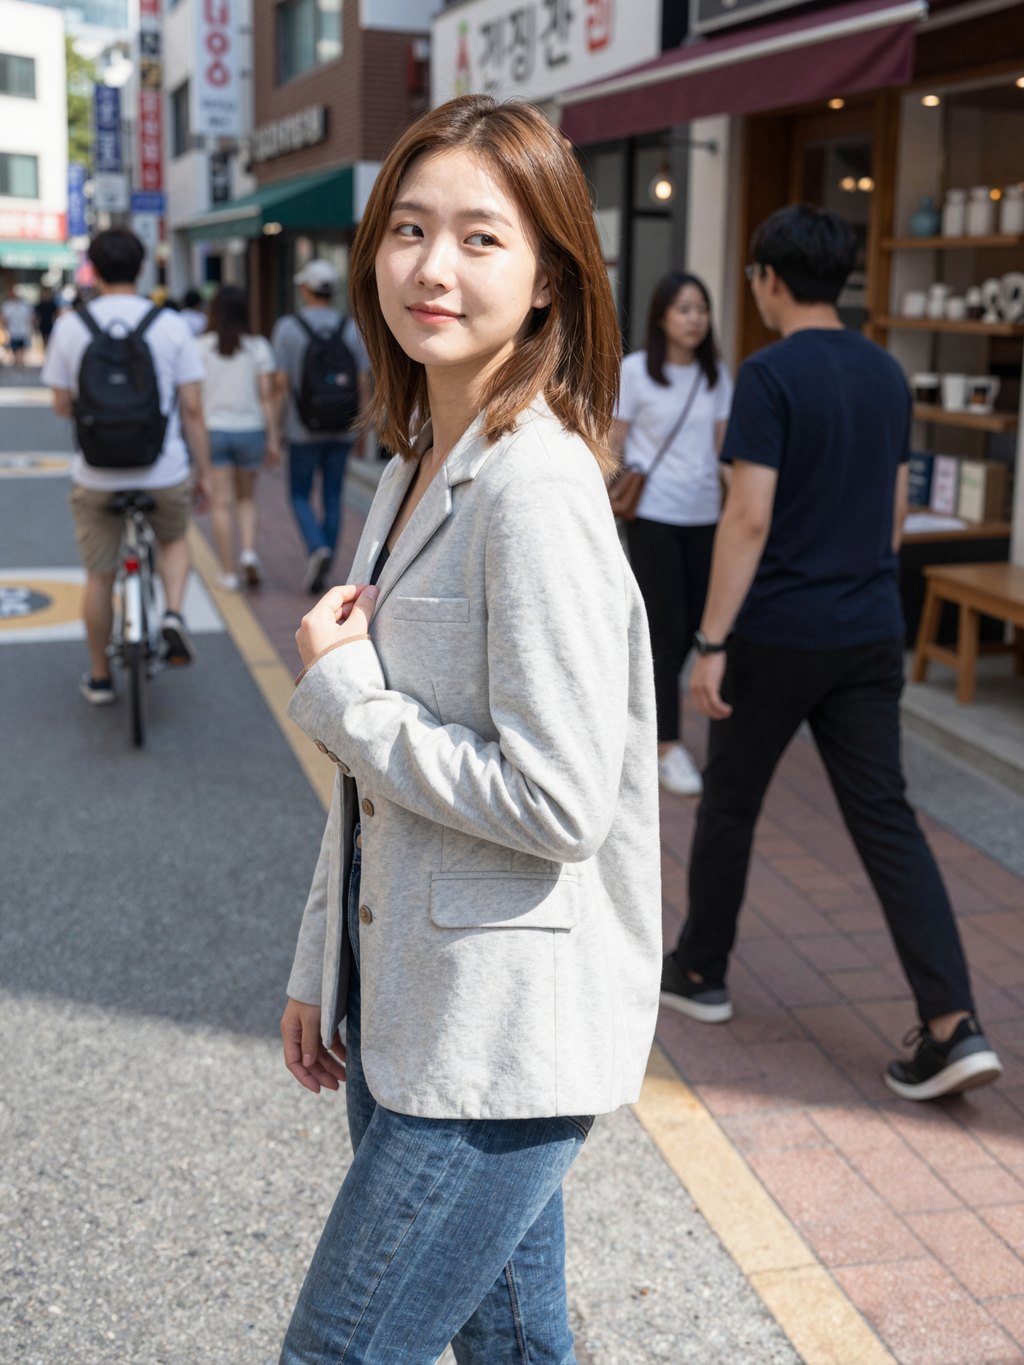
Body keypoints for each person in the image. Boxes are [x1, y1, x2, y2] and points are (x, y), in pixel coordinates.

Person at [277, 93, 662, 1362]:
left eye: (481, 239)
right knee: (514, 1351)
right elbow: (378, 778)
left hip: (499, 1042)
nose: (431, 268)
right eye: (406, 228)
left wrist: (345, 699)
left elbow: (560, 799)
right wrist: (314, 960)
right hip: (408, 1007)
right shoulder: (411, 464)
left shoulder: (538, 488)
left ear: (549, 277)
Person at [660, 205, 1003, 1103]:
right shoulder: (887, 374)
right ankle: (951, 1022)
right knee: (886, 818)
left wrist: (711, 641)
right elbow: (892, 515)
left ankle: (700, 972)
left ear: (769, 280)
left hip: (775, 629)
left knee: (731, 800)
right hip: (867, 629)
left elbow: (748, 515)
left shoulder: (770, 376)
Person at [41, 227, 211, 704]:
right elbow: (193, 409)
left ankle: (99, 677)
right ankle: (173, 613)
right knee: (175, 540)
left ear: (93, 268)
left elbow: (59, 405)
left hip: (96, 475)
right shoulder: (171, 323)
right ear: (141, 268)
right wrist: (205, 474)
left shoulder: (72, 324)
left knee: (100, 576)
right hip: (163, 470)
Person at [611, 272, 733, 797]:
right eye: (684, 309)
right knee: (665, 627)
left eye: (701, 309)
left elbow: (726, 455)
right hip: (654, 515)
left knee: (694, 629)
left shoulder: (716, 377)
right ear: (662, 316)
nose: (694, 319)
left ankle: (641, 711)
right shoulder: (636, 372)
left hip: (706, 515)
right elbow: (611, 444)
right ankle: (665, 746)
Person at [271, 259, 370, 594]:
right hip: (342, 427)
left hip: (302, 428)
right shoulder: (351, 328)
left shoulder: (288, 328)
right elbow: (362, 382)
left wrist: (274, 430)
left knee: (299, 493)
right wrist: (364, 426)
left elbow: (281, 384)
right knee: (333, 495)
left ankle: (317, 548)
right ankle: (326, 557)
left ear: (304, 289)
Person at [198, 285, 281, 589]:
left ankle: (229, 572)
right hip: (251, 431)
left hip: (214, 431)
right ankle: (248, 553)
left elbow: (193, 401)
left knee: (221, 503)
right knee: (247, 498)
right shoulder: (258, 347)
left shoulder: (202, 347)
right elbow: (267, 398)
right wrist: (272, 439)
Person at [2, 288, 35, 368]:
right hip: (12, 332)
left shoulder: (25, 305)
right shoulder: (8, 306)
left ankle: (21, 364)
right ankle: (17, 363)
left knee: (22, 350)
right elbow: (4, 318)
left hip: (23, 331)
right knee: (15, 350)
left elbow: (31, 317)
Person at [35, 285, 58, 350]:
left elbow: (56, 315)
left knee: (51, 342)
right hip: (43, 325)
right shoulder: (40, 305)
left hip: (50, 324)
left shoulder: (52, 304)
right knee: (45, 341)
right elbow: (37, 317)